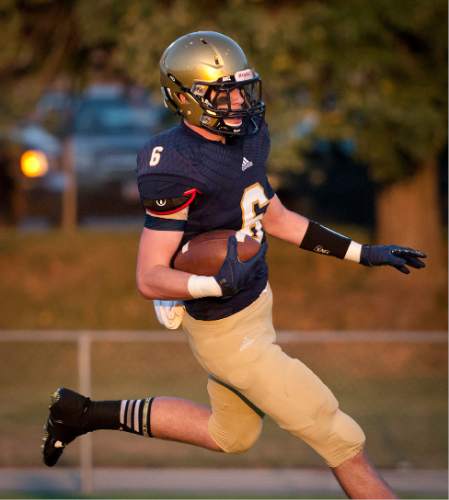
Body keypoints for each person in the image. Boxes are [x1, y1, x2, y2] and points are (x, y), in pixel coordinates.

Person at [42, 31, 426, 499]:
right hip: (227, 334)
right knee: (338, 435)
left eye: (241, 88)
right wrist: (211, 283)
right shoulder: (174, 162)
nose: (239, 101)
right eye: (223, 93)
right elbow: (149, 276)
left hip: (256, 305)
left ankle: (82, 414)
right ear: (185, 99)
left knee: (232, 435)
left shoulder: (249, 135)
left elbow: (276, 216)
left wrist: (361, 253)